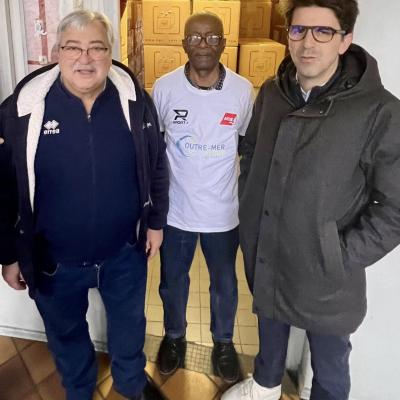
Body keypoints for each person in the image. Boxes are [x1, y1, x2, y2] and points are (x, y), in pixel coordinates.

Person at [222, 0, 400, 399]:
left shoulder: (379, 111)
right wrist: (250, 204)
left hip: (328, 274)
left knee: (330, 366)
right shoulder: (273, 93)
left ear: (345, 40)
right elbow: (250, 150)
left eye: (323, 31)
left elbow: (395, 208)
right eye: (299, 30)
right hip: (268, 251)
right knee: (269, 327)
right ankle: (265, 387)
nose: (307, 43)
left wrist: (339, 254)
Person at [0, 10, 168, 400]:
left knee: (129, 327)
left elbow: (157, 163)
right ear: (57, 53)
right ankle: (78, 389)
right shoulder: (23, 109)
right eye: (73, 48)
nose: (85, 59)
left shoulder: (134, 102)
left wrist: (156, 222)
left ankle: (130, 383)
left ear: (110, 53)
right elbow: (3, 189)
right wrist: (8, 255)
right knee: (66, 334)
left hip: (125, 253)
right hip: (53, 262)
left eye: (97, 48)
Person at [151, 12, 254, 383]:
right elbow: (155, 148)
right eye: (195, 38)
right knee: (172, 283)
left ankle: (223, 343)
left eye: (212, 37)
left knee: (225, 284)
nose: (203, 45)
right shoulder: (164, 88)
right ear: (184, 44)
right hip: (176, 212)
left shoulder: (243, 90)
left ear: (223, 43)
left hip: (223, 213)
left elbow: (245, 144)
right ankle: (174, 337)